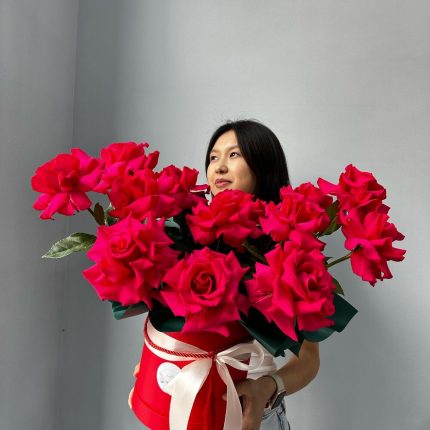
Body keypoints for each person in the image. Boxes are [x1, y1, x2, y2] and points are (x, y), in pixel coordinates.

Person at [205, 119, 321, 430]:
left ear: (263, 167)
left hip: (252, 415)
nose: (219, 167)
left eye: (234, 155)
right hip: (186, 406)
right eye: (213, 157)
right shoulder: (188, 238)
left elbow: (308, 359)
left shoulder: (292, 252)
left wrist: (267, 388)